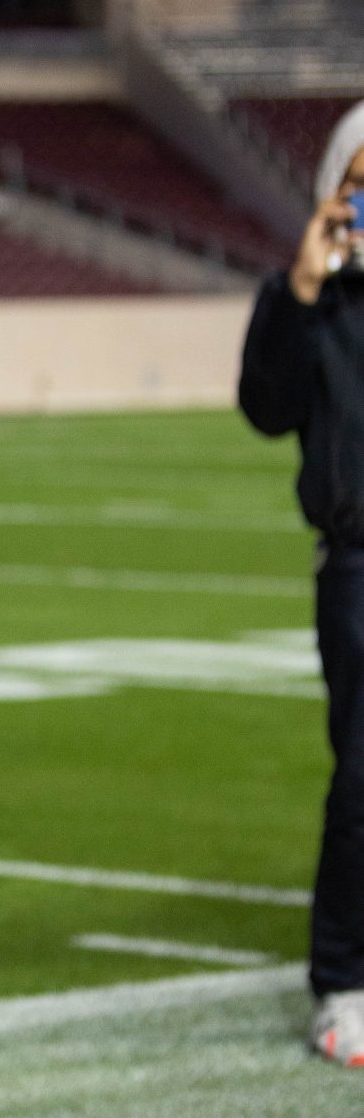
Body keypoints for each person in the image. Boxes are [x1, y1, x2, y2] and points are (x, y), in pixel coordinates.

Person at [240, 98, 364, 1067]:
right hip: (358, 565)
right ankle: (345, 979)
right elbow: (267, 408)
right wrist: (305, 288)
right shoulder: (307, 296)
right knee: (363, 775)